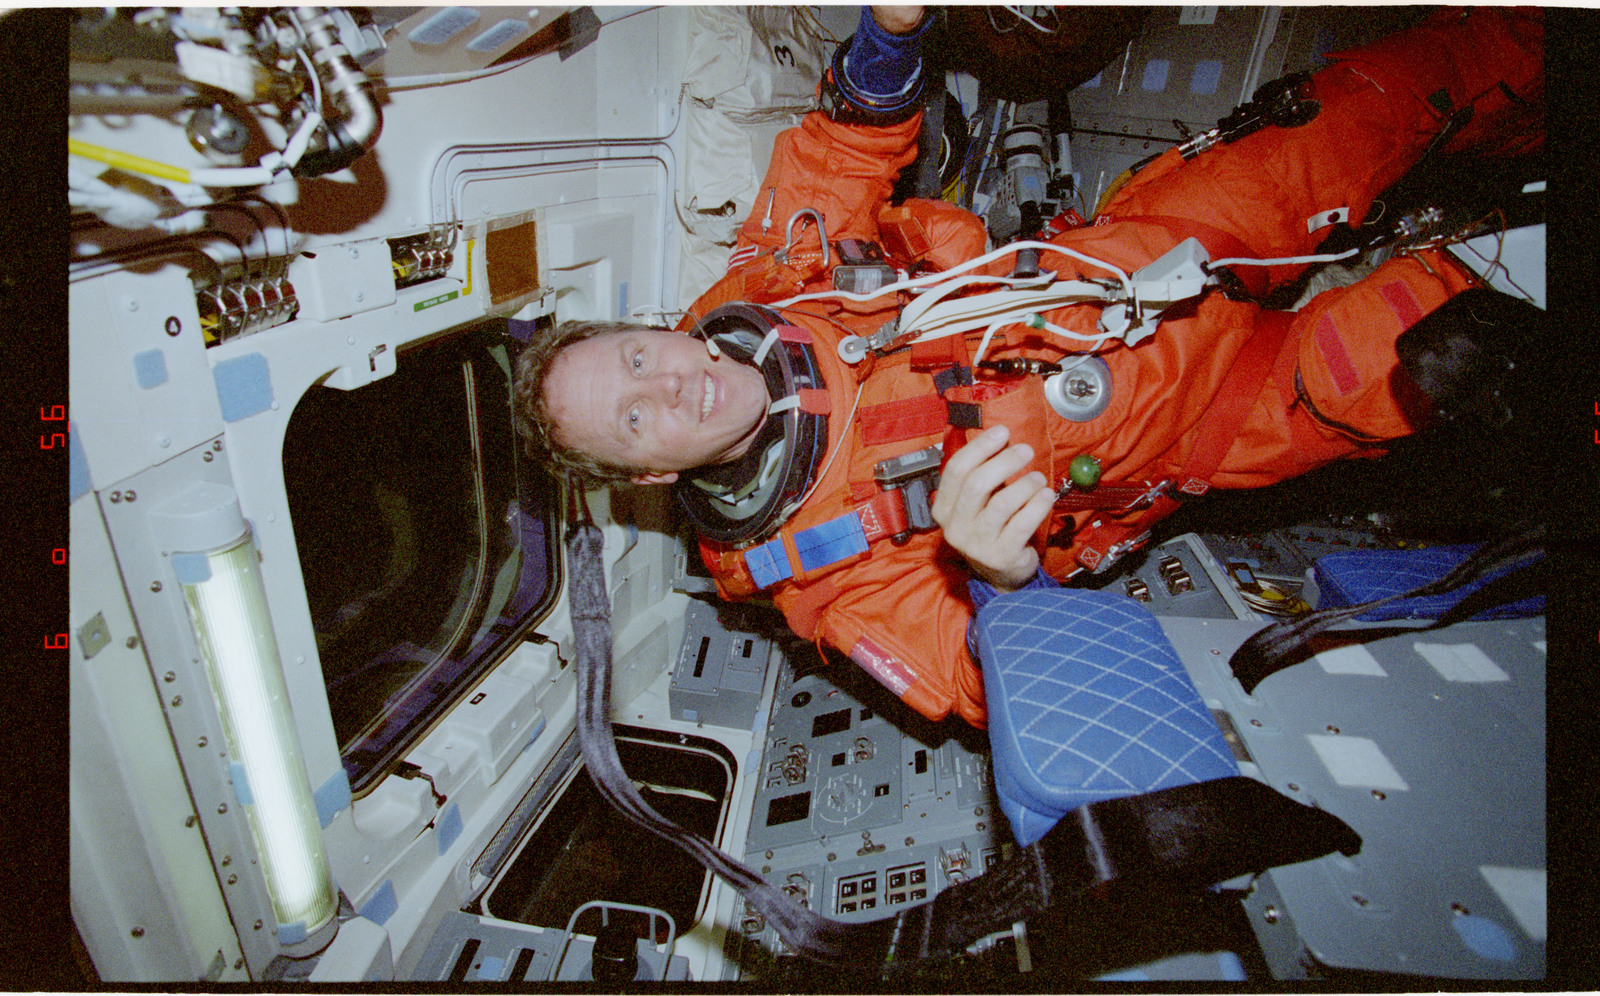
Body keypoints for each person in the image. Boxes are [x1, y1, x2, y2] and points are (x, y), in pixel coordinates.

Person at [514, 5, 1544, 729]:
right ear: (649, 475)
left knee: (1377, 98)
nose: (668, 384)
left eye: (639, 355)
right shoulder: (823, 576)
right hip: (1199, 422)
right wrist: (1001, 580)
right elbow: (984, 684)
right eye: (636, 418)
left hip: (1142, 257)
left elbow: (830, 160)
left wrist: (892, 31)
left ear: (655, 329)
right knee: (1447, 351)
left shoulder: (753, 299)